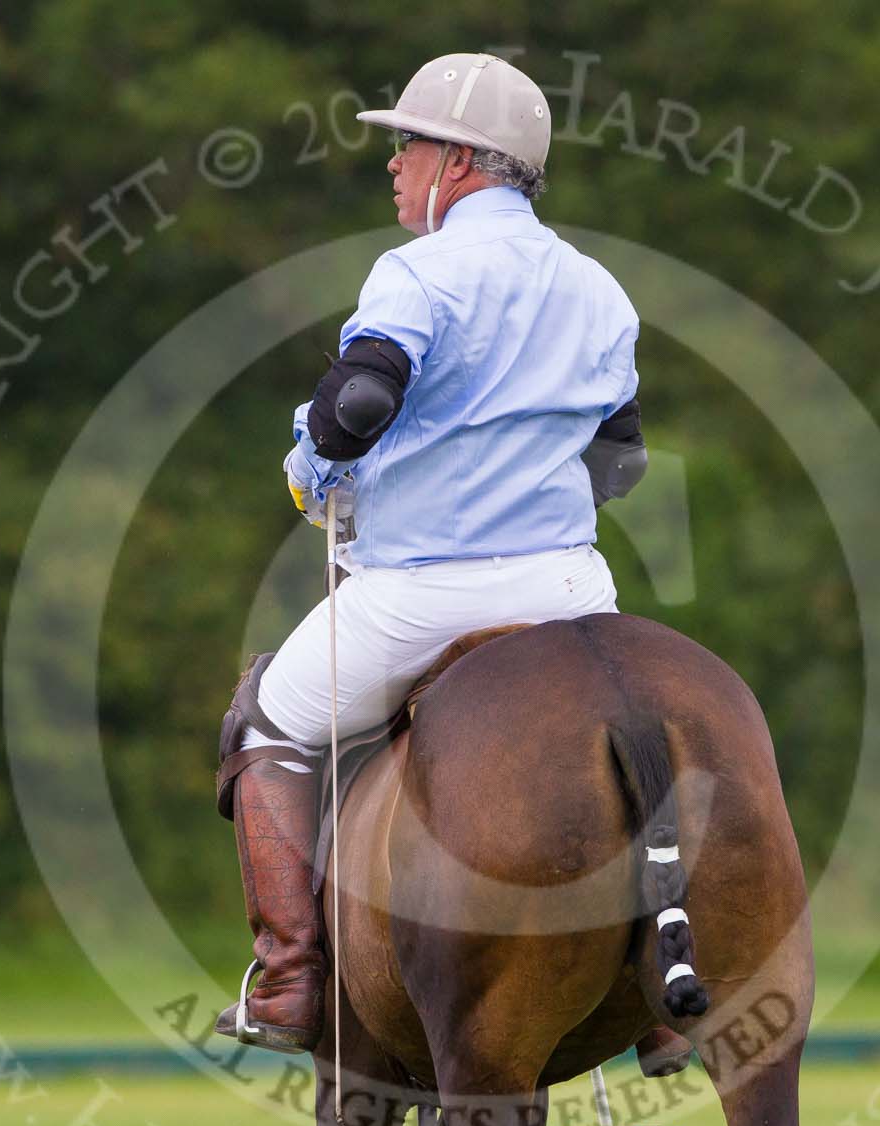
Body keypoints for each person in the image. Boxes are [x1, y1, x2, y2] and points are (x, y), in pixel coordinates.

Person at [213, 53, 677, 1072]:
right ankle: (656, 990)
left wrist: (311, 469)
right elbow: (621, 461)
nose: (394, 163)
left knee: (264, 722)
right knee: (643, 743)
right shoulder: (598, 288)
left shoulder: (416, 273)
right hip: (569, 592)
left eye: (410, 144)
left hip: (420, 591)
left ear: (462, 161)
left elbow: (359, 401)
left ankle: (287, 975)